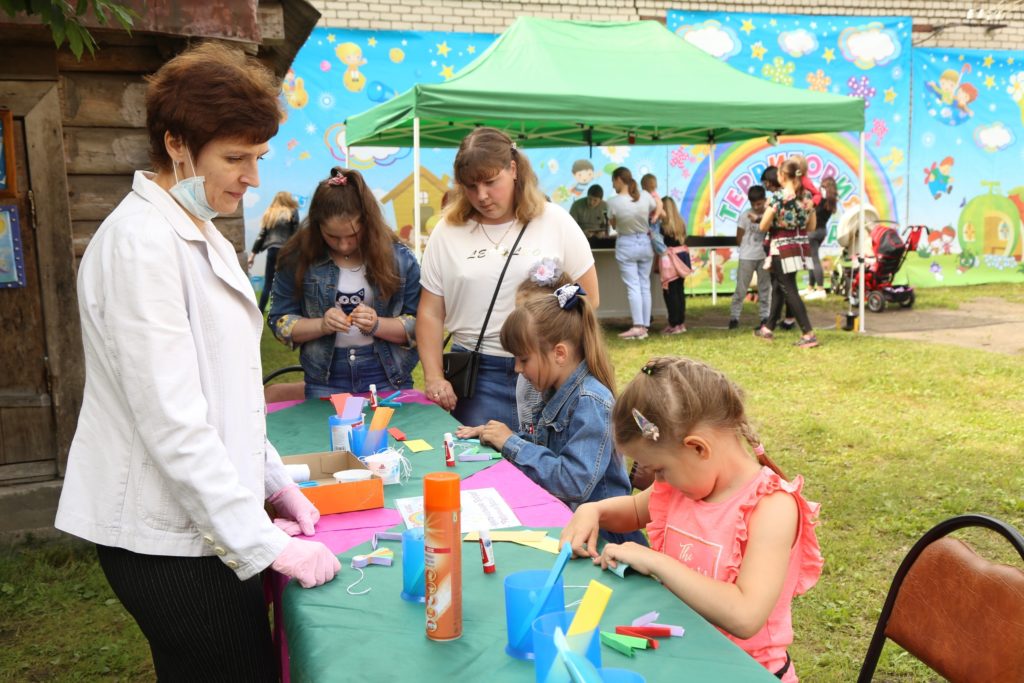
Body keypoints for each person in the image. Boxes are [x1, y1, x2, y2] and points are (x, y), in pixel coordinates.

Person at [54, 42, 340, 681]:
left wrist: (273, 482)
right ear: (176, 144)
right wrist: (264, 543)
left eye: (258, 156)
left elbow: (228, 391)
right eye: (235, 158)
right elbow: (174, 421)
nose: (253, 177)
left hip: (205, 524)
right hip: (168, 541)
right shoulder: (142, 246)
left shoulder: (197, 227)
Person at [560, 356, 822, 682]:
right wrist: (593, 511)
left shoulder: (772, 508)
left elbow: (745, 615)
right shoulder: (680, 487)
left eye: (660, 469)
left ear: (697, 448)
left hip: (743, 672)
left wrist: (655, 561)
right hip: (680, 660)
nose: (658, 481)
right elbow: (635, 510)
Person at [417, 127, 599, 430]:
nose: (482, 196)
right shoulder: (447, 231)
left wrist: (552, 353)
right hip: (477, 375)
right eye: (470, 186)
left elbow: (588, 298)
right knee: (480, 459)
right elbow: (430, 312)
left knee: (549, 458)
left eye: (490, 182)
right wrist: (434, 376)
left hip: (548, 371)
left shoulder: (555, 221)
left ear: (513, 169)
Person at [456, 277, 645, 545]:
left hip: (603, 540)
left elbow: (573, 482)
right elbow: (547, 447)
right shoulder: (555, 390)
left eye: (523, 359)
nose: (517, 369)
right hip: (570, 526)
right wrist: (500, 436)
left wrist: (511, 443)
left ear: (559, 353)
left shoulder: (590, 401)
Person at [268, 167, 420, 397]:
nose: (344, 245)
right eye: (332, 236)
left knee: (389, 423)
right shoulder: (297, 258)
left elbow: (421, 326)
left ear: (368, 223)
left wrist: (377, 324)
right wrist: (321, 325)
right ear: (317, 226)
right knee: (327, 423)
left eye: (353, 235)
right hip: (325, 377)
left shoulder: (399, 258)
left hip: (389, 375)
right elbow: (279, 322)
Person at [756, 157, 819, 348]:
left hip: (781, 246)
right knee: (781, 285)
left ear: (782, 176)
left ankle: (808, 333)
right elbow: (811, 226)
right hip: (799, 246)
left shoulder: (778, 197)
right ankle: (768, 328)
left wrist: (775, 220)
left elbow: (763, 226)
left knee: (789, 289)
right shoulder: (807, 196)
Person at [607, 167, 658, 340]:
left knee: (633, 286)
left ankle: (637, 326)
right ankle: (645, 326)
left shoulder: (613, 202)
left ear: (618, 180)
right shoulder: (645, 196)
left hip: (626, 243)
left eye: (613, 181)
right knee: (644, 285)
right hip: (645, 242)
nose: (613, 185)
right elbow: (656, 206)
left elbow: (614, 225)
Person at [729, 185, 772, 330]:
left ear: (764, 200)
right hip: (747, 257)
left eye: (759, 204)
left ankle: (765, 317)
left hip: (764, 257)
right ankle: (734, 317)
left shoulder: (769, 214)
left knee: (765, 288)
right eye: (753, 204)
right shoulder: (745, 216)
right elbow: (738, 237)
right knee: (741, 289)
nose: (756, 207)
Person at [248, 190, 299, 313]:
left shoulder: (270, 213)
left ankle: (260, 311)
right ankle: (286, 311)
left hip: (272, 251)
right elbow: (296, 234)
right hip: (287, 251)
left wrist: (252, 256)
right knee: (288, 282)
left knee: (268, 283)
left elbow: (261, 235)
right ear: (288, 199)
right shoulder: (292, 211)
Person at [659, 196, 689, 334]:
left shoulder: (663, 227)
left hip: (670, 262)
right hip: (682, 260)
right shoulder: (681, 223)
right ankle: (680, 323)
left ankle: (674, 323)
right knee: (679, 291)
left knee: (670, 293)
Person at [804, 176, 837, 300]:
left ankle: (820, 289)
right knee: (811, 259)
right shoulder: (830, 201)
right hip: (822, 231)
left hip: (813, 231)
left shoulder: (821, 201)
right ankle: (810, 287)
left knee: (814, 259)